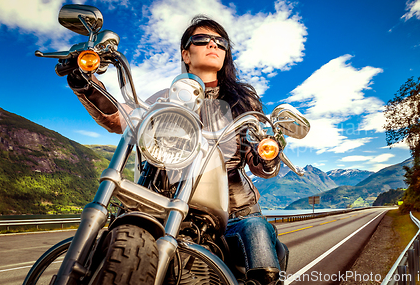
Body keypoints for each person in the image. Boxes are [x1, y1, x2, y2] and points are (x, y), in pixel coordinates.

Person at [67, 15, 287, 284]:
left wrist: (268, 155)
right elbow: (123, 118)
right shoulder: (165, 97)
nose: (213, 45)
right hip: (165, 202)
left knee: (257, 238)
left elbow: (257, 153)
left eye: (220, 42)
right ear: (186, 53)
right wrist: (86, 85)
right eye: (202, 40)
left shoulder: (243, 101)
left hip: (234, 213)